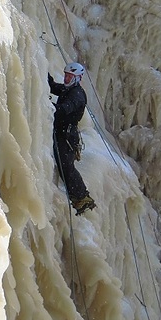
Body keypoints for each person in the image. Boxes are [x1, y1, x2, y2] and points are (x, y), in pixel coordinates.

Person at [48, 62, 96, 215]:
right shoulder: (68, 89)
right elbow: (55, 87)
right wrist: (45, 76)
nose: (67, 78)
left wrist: (48, 105)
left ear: (77, 78)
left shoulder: (77, 94)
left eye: (70, 76)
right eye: (66, 75)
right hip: (63, 133)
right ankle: (79, 197)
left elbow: (64, 109)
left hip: (67, 136)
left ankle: (82, 198)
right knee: (65, 166)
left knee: (66, 166)